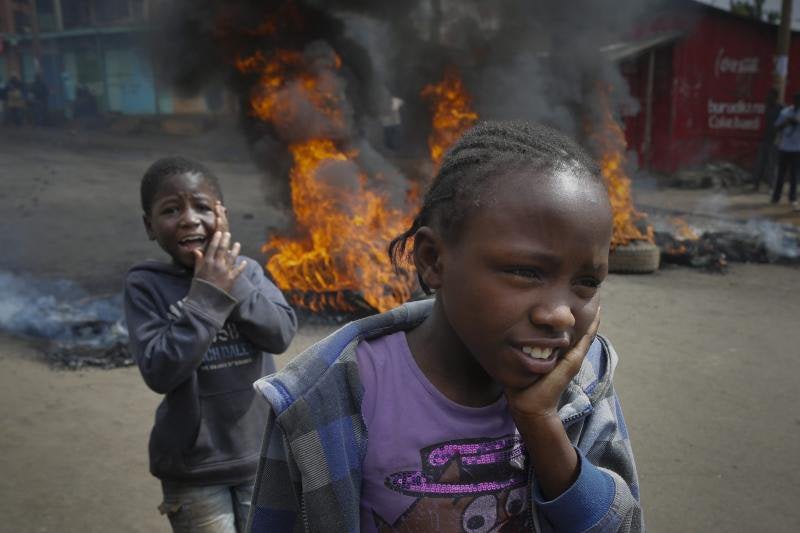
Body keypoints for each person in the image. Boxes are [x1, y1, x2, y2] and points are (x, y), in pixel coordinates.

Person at [247, 121, 642, 532]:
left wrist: (542, 425)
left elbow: (624, 525)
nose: (560, 315)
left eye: (587, 282)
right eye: (526, 271)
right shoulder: (328, 396)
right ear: (434, 260)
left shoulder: (585, 379)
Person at [124, 156, 298, 533]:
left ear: (222, 215)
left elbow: (280, 332)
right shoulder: (146, 285)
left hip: (260, 458)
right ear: (149, 226)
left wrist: (231, 283)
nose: (189, 218)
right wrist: (206, 296)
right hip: (193, 469)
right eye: (171, 210)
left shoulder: (246, 272)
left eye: (202, 207)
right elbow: (159, 370)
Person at [772, 91, 800, 211]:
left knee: (794, 175)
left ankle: (792, 198)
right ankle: (776, 197)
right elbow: (776, 126)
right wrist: (786, 122)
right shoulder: (785, 112)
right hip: (784, 147)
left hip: (797, 149)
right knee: (781, 174)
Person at [752, 88, 781, 191]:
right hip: (765, 139)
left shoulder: (780, 109)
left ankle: (771, 186)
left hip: (775, 141)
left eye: (770, 95)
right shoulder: (768, 107)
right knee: (760, 163)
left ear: (775, 97)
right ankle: (756, 184)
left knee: (771, 164)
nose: (767, 97)